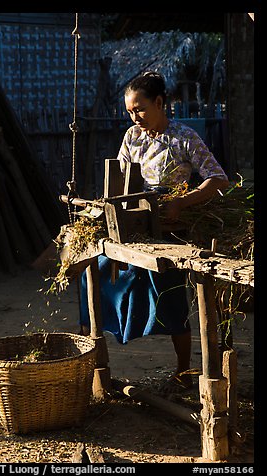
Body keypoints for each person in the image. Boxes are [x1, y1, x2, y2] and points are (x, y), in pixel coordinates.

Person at [79, 71, 229, 393]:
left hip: (171, 229)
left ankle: (183, 372)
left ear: (160, 103)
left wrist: (183, 203)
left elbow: (218, 179)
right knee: (95, 276)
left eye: (140, 109)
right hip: (134, 226)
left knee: (171, 296)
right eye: (130, 111)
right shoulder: (132, 138)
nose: (134, 117)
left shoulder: (184, 138)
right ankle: (90, 364)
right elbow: (119, 178)